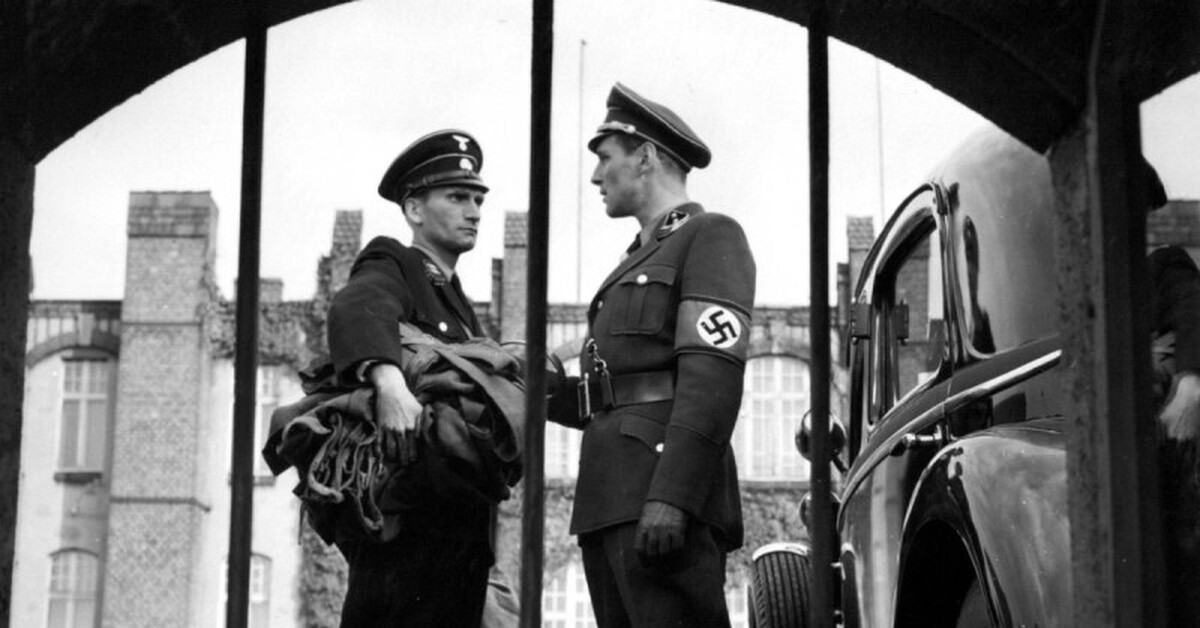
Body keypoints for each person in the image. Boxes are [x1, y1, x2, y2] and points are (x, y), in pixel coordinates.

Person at [550, 82, 756, 628]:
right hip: (608, 502)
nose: (596, 176)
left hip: (659, 500)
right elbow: (615, 393)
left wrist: (674, 497)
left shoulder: (710, 236)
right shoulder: (634, 259)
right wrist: (537, 388)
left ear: (644, 157)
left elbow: (711, 380)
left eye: (605, 158)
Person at [325, 129, 497, 628]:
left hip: (460, 538)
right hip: (406, 536)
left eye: (478, 199)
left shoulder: (460, 304)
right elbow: (359, 305)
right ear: (415, 209)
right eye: (458, 197)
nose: (474, 211)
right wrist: (389, 382)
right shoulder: (395, 262)